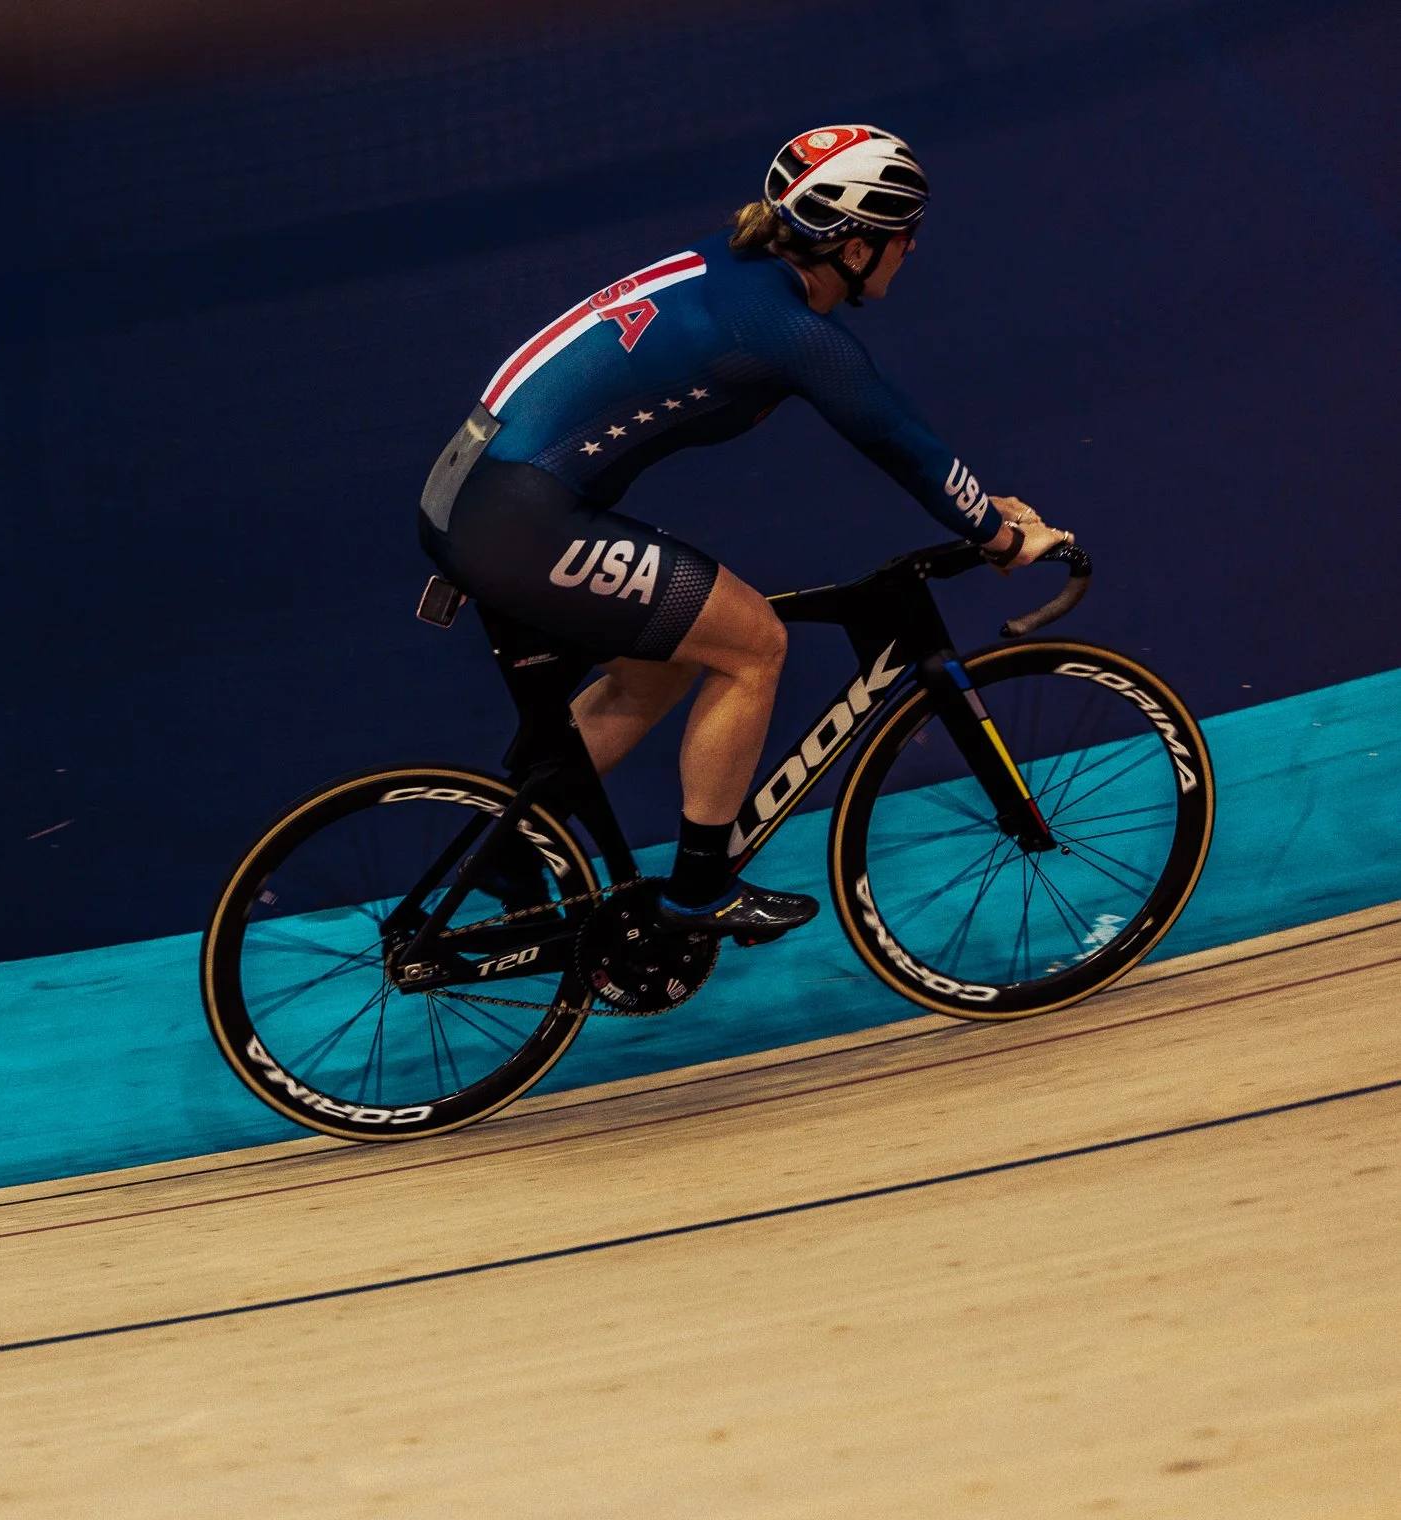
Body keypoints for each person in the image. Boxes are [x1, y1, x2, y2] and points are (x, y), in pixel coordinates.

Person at [416, 125, 1074, 939]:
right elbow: (900, 440)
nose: (913, 247)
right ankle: (699, 896)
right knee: (752, 642)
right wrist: (1000, 538)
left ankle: (513, 845)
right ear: (858, 246)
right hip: (514, 515)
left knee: (658, 669)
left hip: (478, 491)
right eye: (906, 232)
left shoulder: (737, 264)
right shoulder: (786, 327)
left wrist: (980, 512)